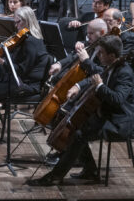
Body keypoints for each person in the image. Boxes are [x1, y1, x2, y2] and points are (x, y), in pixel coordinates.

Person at [27, 35, 133, 187]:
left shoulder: (125, 73)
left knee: (78, 135)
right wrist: (78, 86)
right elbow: (95, 76)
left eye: (101, 53)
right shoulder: (111, 66)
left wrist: (100, 86)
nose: (99, 56)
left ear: (112, 55)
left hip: (118, 122)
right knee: (76, 126)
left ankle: (55, 176)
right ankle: (90, 170)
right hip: (104, 115)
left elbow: (117, 99)